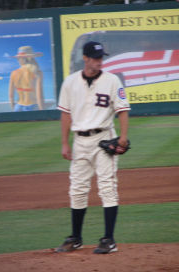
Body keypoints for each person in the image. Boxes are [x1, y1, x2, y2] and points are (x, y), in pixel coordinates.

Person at [56, 41, 130, 254]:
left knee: (107, 186)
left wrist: (123, 137)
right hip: (79, 141)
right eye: (96, 57)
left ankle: (109, 239)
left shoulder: (112, 80)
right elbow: (65, 114)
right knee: (77, 189)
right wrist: (64, 143)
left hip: (103, 139)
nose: (100, 61)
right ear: (85, 58)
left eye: (101, 57)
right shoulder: (70, 82)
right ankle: (76, 238)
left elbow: (123, 109)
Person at [9, 46, 44, 112]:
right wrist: (42, 111)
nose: (18, 60)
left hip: (18, 107)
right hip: (32, 106)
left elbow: (11, 95)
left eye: (18, 58)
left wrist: (13, 107)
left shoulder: (13, 73)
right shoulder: (37, 73)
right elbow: (39, 96)